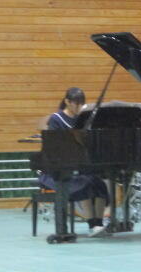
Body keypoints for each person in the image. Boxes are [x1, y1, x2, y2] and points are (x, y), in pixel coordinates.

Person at [38, 87, 110, 238]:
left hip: (80, 164)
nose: (79, 107)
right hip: (58, 169)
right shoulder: (56, 119)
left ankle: (98, 223)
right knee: (84, 182)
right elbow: (54, 145)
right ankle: (92, 224)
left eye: (81, 104)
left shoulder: (83, 119)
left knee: (99, 183)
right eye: (76, 104)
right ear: (67, 102)